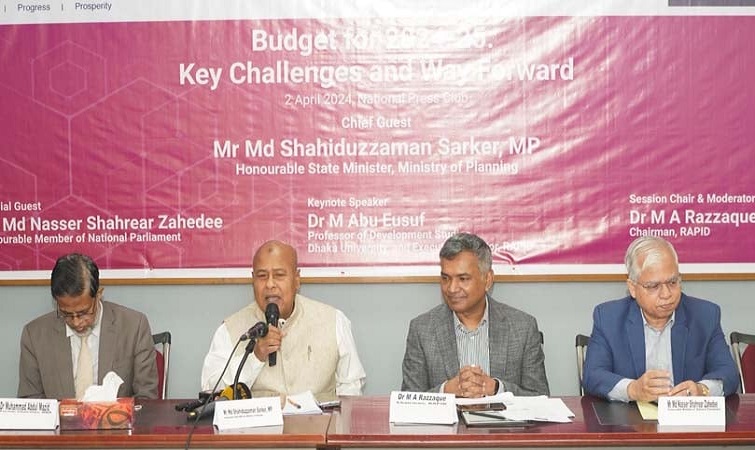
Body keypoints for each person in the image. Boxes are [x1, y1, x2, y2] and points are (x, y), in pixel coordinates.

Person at [582, 236, 739, 402]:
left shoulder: (705, 316)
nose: (666, 294)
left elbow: (728, 373)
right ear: (633, 288)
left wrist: (702, 390)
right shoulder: (608, 318)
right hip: (630, 417)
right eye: (653, 286)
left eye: (672, 282)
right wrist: (632, 389)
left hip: (686, 416)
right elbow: (593, 375)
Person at [201, 240, 366, 398]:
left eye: (279, 275)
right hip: (257, 419)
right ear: (253, 280)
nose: (270, 284)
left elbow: (351, 386)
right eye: (262, 276)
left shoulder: (333, 321)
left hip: (319, 418)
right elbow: (211, 391)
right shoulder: (230, 330)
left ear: (296, 280)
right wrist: (255, 357)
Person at [401, 232, 549, 397]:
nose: (452, 288)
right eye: (446, 278)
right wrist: (445, 391)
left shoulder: (523, 328)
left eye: (463, 279)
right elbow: (408, 401)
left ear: (487, 280)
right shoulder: (422, 330)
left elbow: (540, 398)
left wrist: (497, 389)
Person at [18, 253, 158, 399]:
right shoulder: (34, 336)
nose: (76, 322)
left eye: (83, 312)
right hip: (59, 415)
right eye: (66, 314)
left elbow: (146, 398)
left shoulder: (133, 327)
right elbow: (31, 401)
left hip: (116, 415)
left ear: (99, 295)